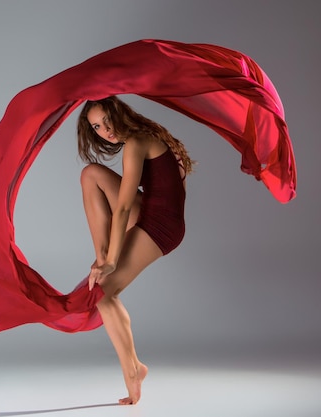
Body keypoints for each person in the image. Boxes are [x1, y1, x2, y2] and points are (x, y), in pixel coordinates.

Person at [77, 96, 194, 405]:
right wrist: (108, 257)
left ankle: (133, 370)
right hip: (152, 212)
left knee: (102, 292)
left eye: (106, 121)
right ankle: (103, 259)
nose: (105, 131)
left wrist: (115, 260)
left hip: (161, 225)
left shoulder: (138, 141)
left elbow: (126, 206)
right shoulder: (143, 136)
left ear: (119, 112)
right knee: (90, 174)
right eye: (97, 127)